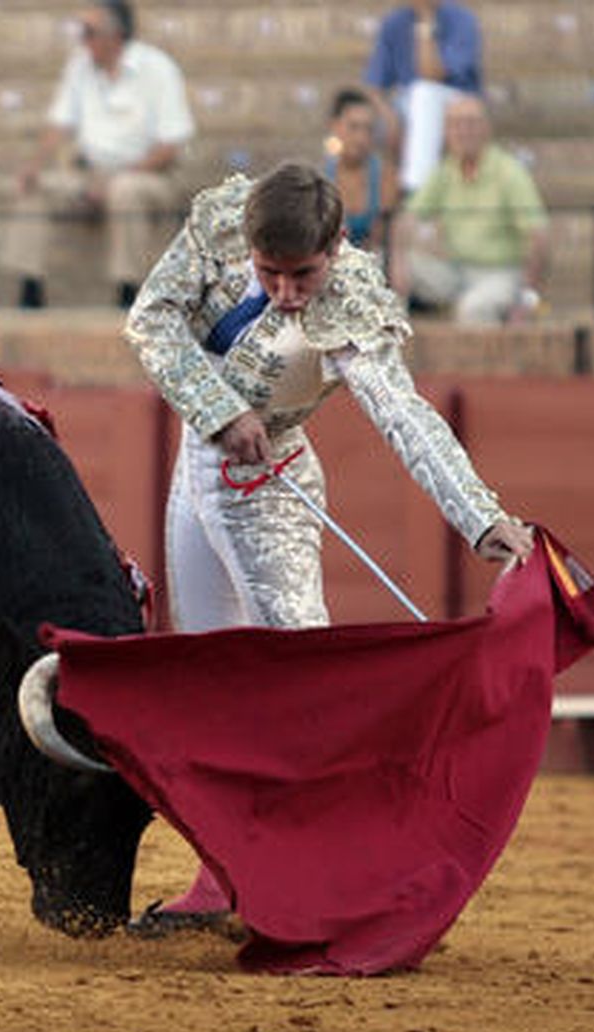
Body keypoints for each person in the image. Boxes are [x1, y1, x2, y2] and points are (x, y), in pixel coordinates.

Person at [122, 162, 534, 935]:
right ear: (246, 243)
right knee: (214, 687)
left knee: (303, 687)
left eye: (302, 273)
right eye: (269, 273)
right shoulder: (219, 224)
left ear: (337, 246)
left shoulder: (352, 299)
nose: (285, 291)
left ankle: (332, 880)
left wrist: (482, 518)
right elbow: (151, 318)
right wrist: (216, 409)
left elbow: (403, 417)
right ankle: (223, 877)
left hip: (272, 490)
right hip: (198, 470)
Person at [2, 0, 194, 310]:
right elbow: (60, 122)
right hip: (90, 173)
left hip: (149, 174)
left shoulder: (158, 69)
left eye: (88, 32)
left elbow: (170, 147)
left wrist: (117, 178)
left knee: (124, 190)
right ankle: (30, 288)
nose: (82, 39)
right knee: (36, 186)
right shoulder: (80, 65)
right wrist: (33, 166)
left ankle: (127, 290)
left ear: (115, 35)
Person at [391, 95, 549, 324]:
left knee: (473, 309)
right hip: (454, 271)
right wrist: (398, 259)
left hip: (500, 273)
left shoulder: (508, 172)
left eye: (471, 123)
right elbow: (408, 218)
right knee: (382, 264)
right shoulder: (445, 170)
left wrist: (528, 298)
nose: (463, 131)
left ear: (486, 128)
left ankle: (478, 360)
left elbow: (539, 236)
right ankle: (391, 352)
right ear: (446, 131)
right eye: (456, 124)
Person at [364, 1, 482, 194]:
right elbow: (374, 86)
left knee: (424, 94)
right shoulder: (394, 21)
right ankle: (380, 205)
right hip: (409, 104)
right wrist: (389, 116)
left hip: (458, 102)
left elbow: (430, 74)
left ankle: (418, 190)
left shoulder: (462, 19)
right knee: (369, 120)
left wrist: (425, 22)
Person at [322, 88, 399, 255]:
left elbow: (382, 236)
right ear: (334, 126)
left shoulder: (385, 176)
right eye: (353, 127)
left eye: (368, 129)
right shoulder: (322, 178)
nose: (361, 138)